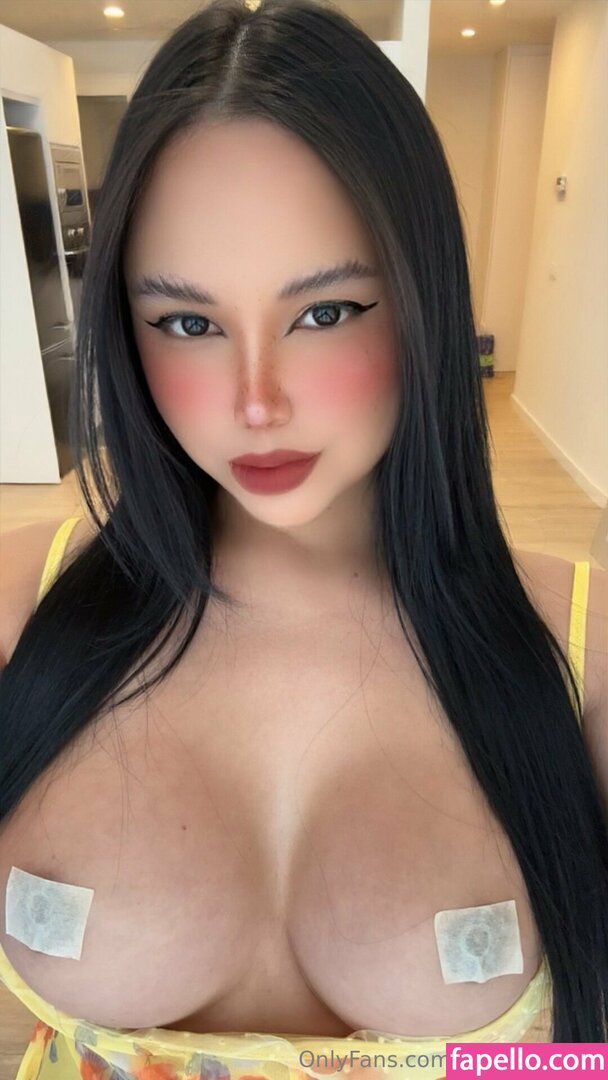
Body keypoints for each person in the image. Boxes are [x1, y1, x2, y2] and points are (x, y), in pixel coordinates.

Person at [0, 1, 606, 1077]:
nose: (256, 401)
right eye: (188, 323)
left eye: (325, 312)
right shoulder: (18, 608)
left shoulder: (581, 653)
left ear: (420, 300)